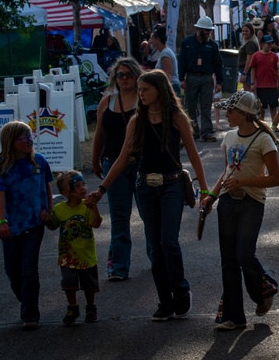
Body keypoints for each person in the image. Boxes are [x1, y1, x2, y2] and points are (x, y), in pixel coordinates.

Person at [87, 69, 210, 322]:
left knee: (168, 243)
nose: (140, 94)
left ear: (160, 90)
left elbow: (194, 154)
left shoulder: (177, 117)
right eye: (139, 90)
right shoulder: (137, 120)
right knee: (155, 246)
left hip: (172, 185)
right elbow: (122, 159)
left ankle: (180, 291)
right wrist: (101, 190)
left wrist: (206, 191)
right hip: (146, 186)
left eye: (145, 90)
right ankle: (165, 301)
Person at [202, 92, 279, 331]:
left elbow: (275, 178)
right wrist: (212, 196)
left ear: (245, 115)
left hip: (251, 203)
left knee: (244, 255)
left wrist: (244, 181)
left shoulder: (263, 140)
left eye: (231, 111)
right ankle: (233, 316)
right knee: (228, 260)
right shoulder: (228, 137)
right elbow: (227, 172)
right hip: (227, 202)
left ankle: (264, 289)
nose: (226, 115)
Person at [0, 121, 54, 330]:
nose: (29, 140)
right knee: (12, 270)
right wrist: (2, 222)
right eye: (23, 137)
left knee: (29, 269)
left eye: (30, 136)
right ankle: (25, 298)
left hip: (34, 223)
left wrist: (49, 213)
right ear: (11, 142)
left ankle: (30, 314)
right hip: (12, 225)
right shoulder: (1, 167)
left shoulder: (39, 162)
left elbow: (47, 188)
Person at [91, 57, 144, 281]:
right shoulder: (107, 102)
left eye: (128, 75)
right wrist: (95, 159)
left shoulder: (145, 100)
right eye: (119, 75)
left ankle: (158, 258)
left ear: (136, 76)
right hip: (113, 163)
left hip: (143, 163)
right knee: (119, 217)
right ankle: (118, 267)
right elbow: (100, 134)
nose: (123, 79)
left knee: (149, 215)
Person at [43, 171, 102, 326]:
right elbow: (53, 225)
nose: (83, 188)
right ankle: (72, 307)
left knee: (89, 285)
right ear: (65, 192)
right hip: (67, 256)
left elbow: (96, 223)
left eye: (83, 184)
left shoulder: (87, 206)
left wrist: (94, 207)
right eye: (77, 186)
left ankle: (91, 307)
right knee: (68, 282)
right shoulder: (60, 209)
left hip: (86, 255)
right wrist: (46, 219)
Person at [179, 16, 224, 142]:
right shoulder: (187, 43)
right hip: (191, 77)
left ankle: (206, 131)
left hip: (206, 78)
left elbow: (218, 63)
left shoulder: (212, 45)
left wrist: (219, 82)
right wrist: (181, 78)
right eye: (206, 30)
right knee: (190, 105)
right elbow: (181, 61)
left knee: (206, 106)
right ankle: (193, 130)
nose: (209, 33)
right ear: (199, 29)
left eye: (209, 30)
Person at [248, 35, 279, 121]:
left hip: (272, 85)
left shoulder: (274, 56)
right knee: (261, 107)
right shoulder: (256, 55)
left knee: (273, 106)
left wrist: (278, 82)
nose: (270, 45)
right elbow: (253, 69)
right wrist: (252, 83)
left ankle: (274, 124)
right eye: (268, 43)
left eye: (271, 43)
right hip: (261, 86)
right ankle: (262, 123)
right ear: (262, 44)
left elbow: (277, 70)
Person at [150, 27, 181, 96]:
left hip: (172, 86)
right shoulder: (164, 52)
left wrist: (167, 91)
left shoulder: (165, 53)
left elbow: (168, 73)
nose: (150, 41)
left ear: (157, 39)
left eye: (152, 38)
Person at [236, 23, 259, 92]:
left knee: (249, 94)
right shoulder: (247, 42)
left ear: (251, 32)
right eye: (243, 31)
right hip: (246, 71)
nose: (244, 33)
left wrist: (244, 73)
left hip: (248, 72)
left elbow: (249, 59)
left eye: (246, 31)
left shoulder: (250, 43)